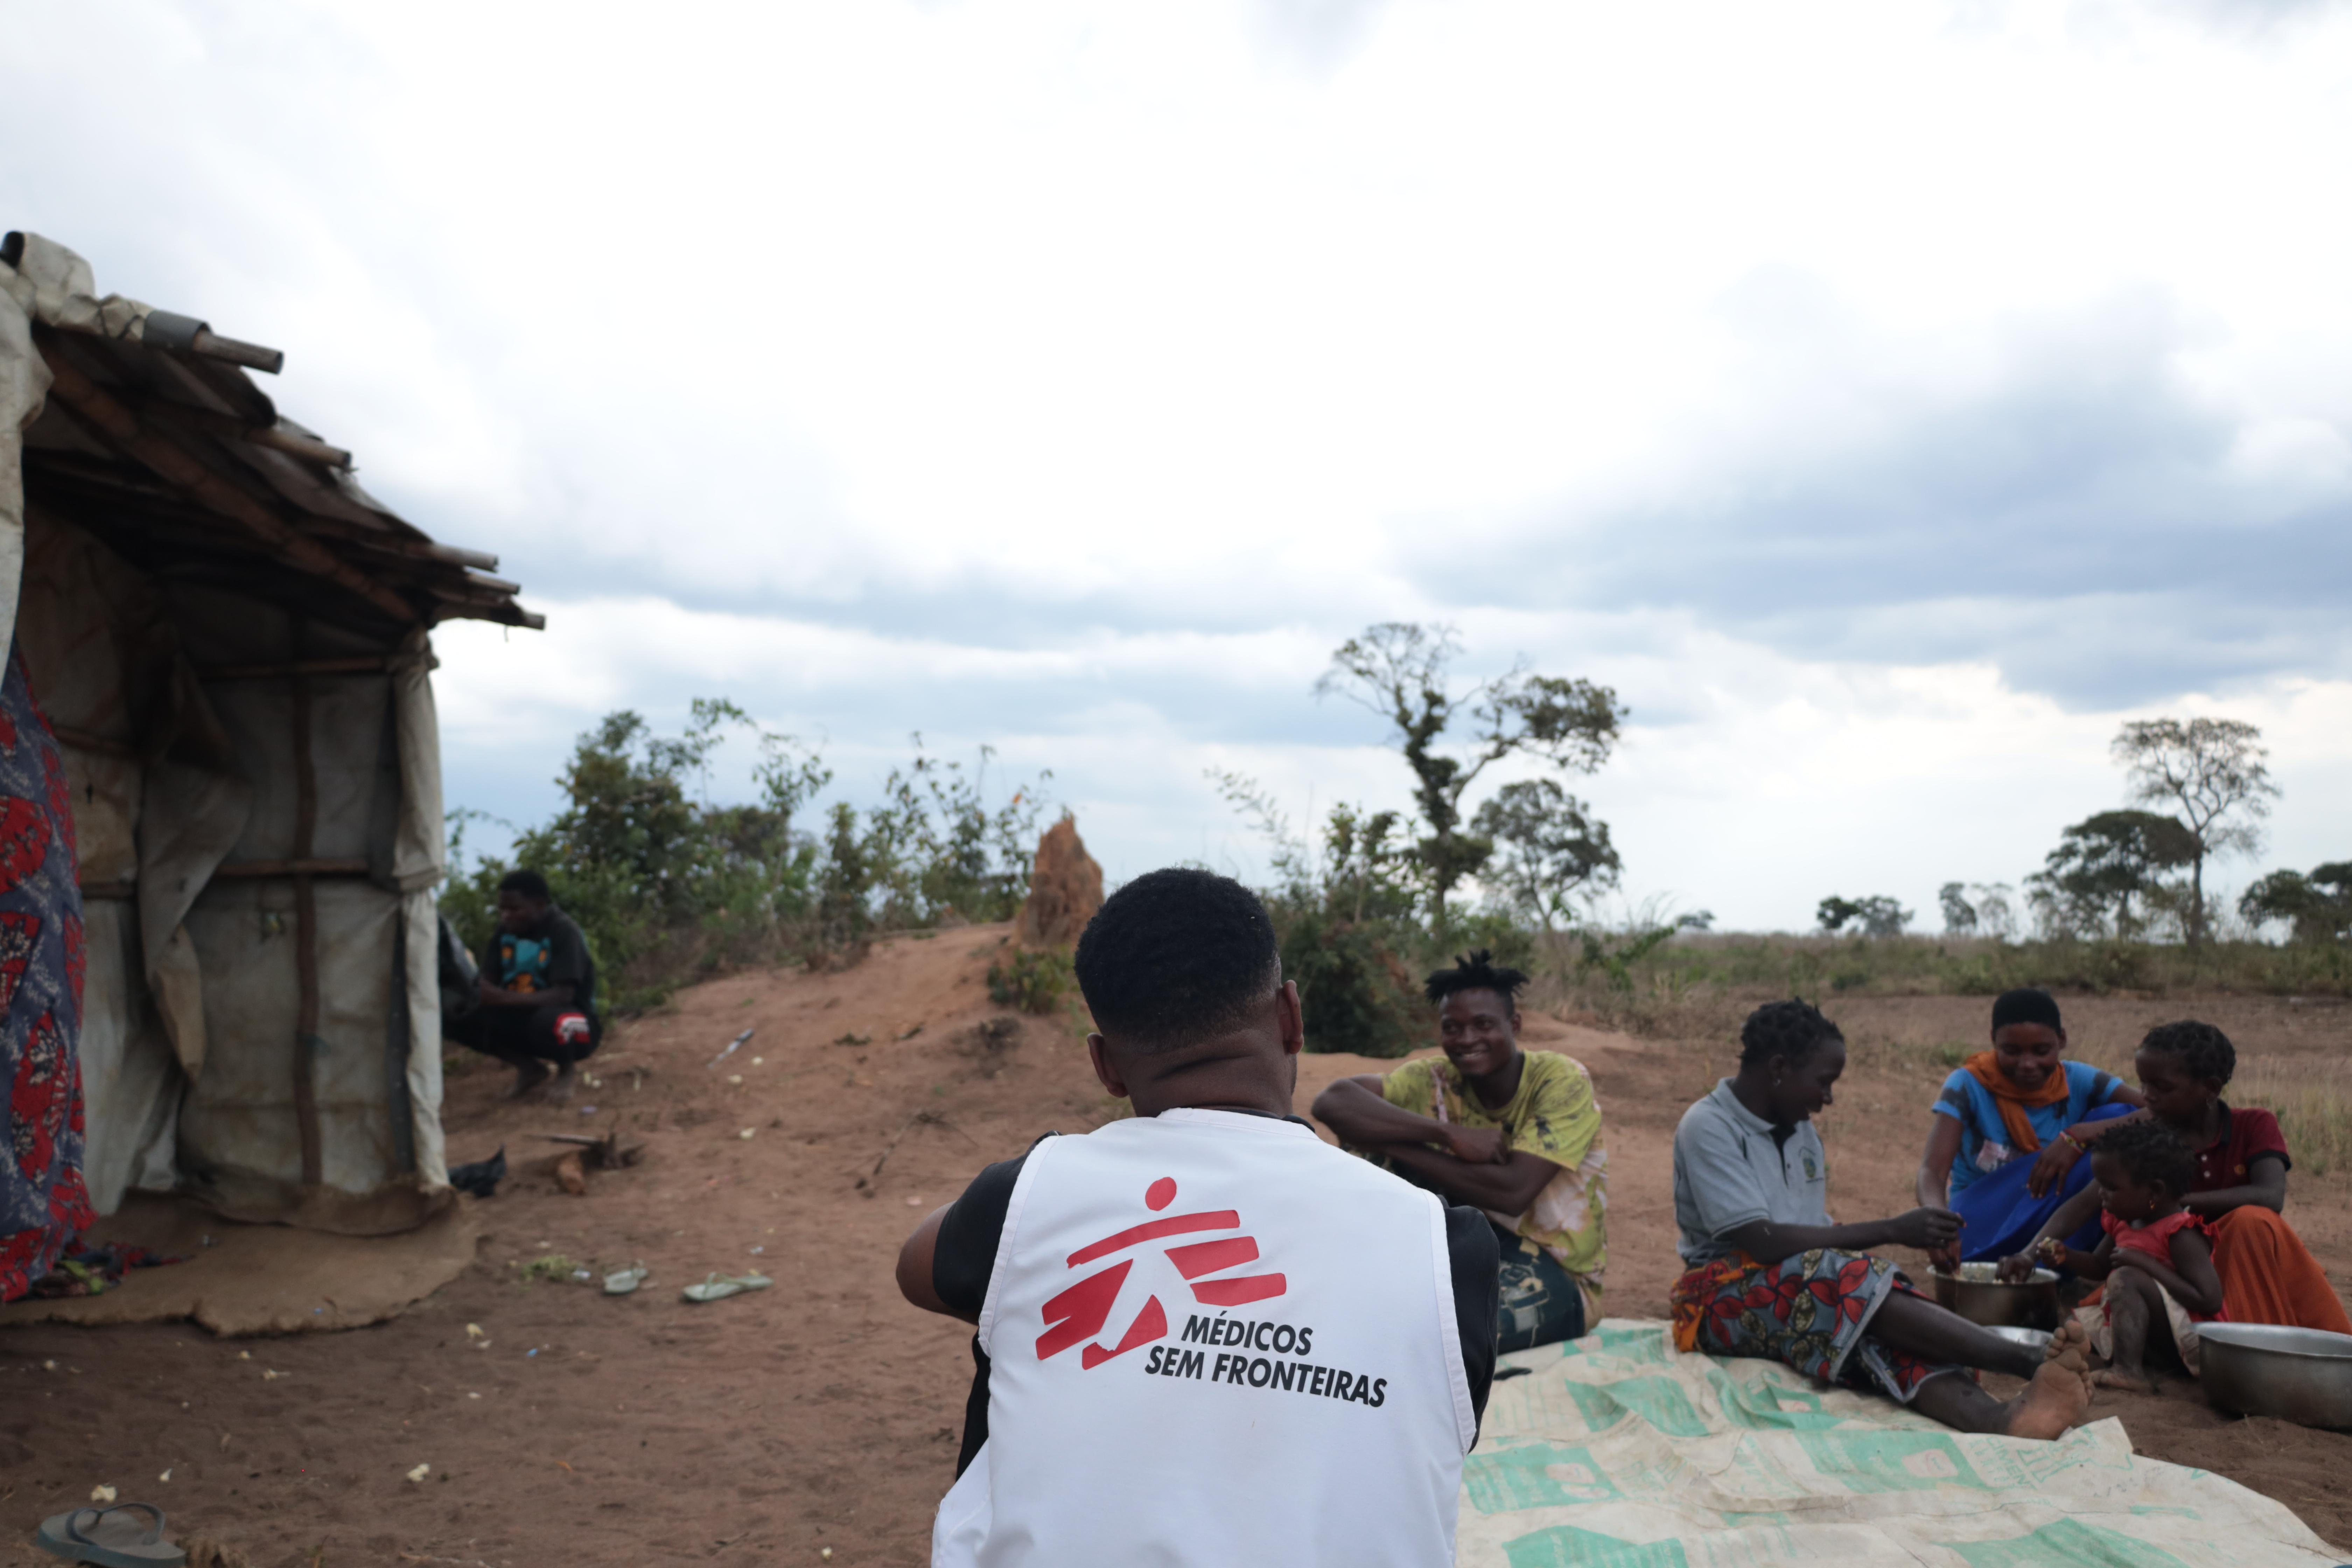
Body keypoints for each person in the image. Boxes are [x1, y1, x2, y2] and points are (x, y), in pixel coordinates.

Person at [895, 869, 1498, 1567]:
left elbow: (919, 1266)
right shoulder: (1444, 1244)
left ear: (1106, 1067)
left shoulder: (1032, 1193)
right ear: (1291, 1018)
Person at [1671, 999, 2092, 1440]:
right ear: (1779, 1067)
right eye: (1824, 1082)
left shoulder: (1802, 1134)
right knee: (1848, 1283)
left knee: (1872, 1321)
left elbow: (1806, 1237)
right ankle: (2026, 1358)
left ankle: (2000, 1420)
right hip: (1716, 1300)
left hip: (1794, 1285)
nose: (1828, 1098)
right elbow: (1761, 1242)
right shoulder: (1710, 1126)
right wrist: (1893, 1230)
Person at [1313, 950, 1605, 1351]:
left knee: (1437, 1343)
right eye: (1453, 1027)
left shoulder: (1560, 1080)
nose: (1467, 1040)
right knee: (1367, 1156)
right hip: (1465, 1247)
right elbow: (1333, 1101)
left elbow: (1512, 1191)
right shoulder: (1434, 1076)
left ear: (1514, 1024)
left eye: (1483, 1025)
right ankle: (1362, 1282)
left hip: (1554, 1267)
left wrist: (1393, 1143)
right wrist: (1447, 1134)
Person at [1998, 1021, 2352, 1335]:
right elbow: (2087, 1200)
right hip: (2173, 1276)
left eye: (2162, 1087)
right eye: (2144, 1083)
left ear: (2210, 1088)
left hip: (2239, 1264)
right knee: (2095, 1317)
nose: (2147, 1095)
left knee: (2252, 1220)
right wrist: (2031, 1253)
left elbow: (2270, 1196)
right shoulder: (2151, 1135)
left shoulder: (2253, 1125)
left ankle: (2256, 1339)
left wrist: (2172, 1207)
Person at [1914, 987, 2141, 1267]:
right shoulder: (1968, 1085)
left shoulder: (2079, 1080)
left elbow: (2158, 1113)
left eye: (2041, 1051)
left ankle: (2055, 1258)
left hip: (2055, 1218)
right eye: (2011, 1051)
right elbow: (1932, 1171)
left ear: (2062, 1040)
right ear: (1993, 1041)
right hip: (1983, 1219)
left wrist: (2078, 1136)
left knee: (2119, 1118)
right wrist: (1940, 1228)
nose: (2028, 1064)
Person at [0, 650, 94, 1302]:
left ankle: (26, 1237)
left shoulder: (25, 758)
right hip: (40, 944)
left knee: (30, 1086)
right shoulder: (34, 755)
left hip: (34, 946)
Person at [2032, 1120, 2225, 1392]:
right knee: (2076, 1325)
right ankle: (2130, 1360)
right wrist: (2067, 1257)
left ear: (2154, 1192)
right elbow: (2100, 1266)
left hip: (2188, 1341)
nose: (2101, 1195)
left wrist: (2145, 1264)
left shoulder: (2181, 1234)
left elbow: (2210, 1300)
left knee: (2127, 1279)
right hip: (2154, 1339)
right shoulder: (2125, 1220)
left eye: (2111, 1187)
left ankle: (2129, 1371)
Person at [442, 870, 601, 1102]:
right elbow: (489, 980)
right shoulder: (504, 933)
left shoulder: (564, 931)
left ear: (538, 905)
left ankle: (566, 1070)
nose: (506, 916)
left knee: (551, 1020)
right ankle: (530, 1069)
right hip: (524, 1013)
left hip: (575, 1020)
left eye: (515, 909)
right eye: (502, 910)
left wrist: (499, 998)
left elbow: (563, 995)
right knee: (457, 1015)